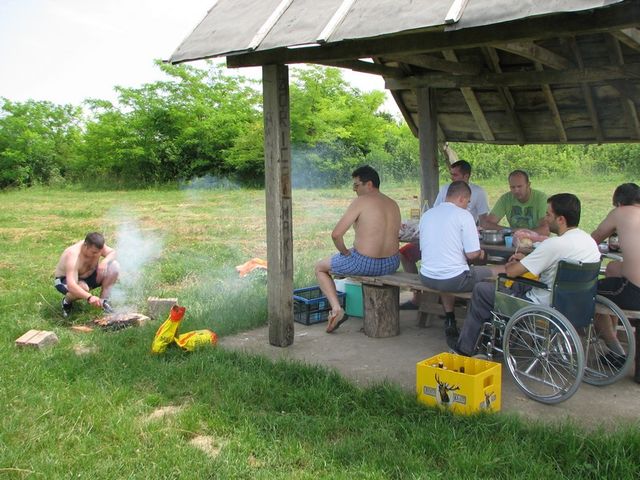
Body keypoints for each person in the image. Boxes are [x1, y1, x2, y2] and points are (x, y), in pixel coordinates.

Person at [450, 193, 600, 356]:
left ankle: (465, 348)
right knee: (517, 285)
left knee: (482, 290)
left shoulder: (554, 244)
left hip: (542, 306)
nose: (545, 219)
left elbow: (511, 272)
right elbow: (554, 267)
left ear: (561, 219)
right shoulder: (589, 242)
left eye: (548, 214)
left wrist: (515, 264)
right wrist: (526, 260)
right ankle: (500, 338)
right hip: (576, 304)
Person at [315, 165, 401, 333]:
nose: (354, 190)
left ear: (369, 184)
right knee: (342, 262)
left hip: (365, 263)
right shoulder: (393, 203)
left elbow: (336, 235)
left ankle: (337, 310)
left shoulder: (361, 201)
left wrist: (344, 252)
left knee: (320, 267)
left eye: (356, 185)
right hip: (392, 262)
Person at [399, 160, 489, 309]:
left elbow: (484, 219)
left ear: (466, 176)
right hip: (449, 253)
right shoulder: (445, 190)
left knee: (453, 265)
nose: (452, 178)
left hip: (458, 246)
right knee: (405, 253)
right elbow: (438, 213)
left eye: (455, 175)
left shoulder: (477, 192)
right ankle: (418, 298)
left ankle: (459, 307)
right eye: (451, 174)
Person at [418, 181, 497, 339]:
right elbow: (472, 255)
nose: (467, 206)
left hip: (426, 277)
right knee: (499, 270)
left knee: (448, 270)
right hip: (454, 280)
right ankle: (486, 325)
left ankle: (450, 318)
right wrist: (482, 254)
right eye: (468, 202)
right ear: (461, 198)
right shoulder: (464, 215)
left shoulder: (427, 214)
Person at [591, 183, 640, 369]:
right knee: (612, 268)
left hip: (635, 292)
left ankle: (616, 351)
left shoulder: (621, 212)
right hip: (633, 284)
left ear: (619, 203)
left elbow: (593, 240)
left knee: (586, 294)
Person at [54, 232, 120, 317]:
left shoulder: (97, 246)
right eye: (94, 252)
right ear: (85, 245)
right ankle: (66, 302)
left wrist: (104, 262)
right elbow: (71, 285)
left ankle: (103, 302)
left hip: (89, 276)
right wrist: (90, 297)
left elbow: (113, 252)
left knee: (114, 266)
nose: (97, 254)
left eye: (99, 252)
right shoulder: (73, 255)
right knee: (83, 288)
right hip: (65, 280)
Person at [481, 169, 549, 235]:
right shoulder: (506, 198)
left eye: (519, 186)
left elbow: (546, 230)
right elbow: (486, 224)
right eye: (512, 187)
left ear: (528, 185)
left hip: (538, 240)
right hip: (515, 239)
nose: (516, 190)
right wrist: (511, 231)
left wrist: (519, 233)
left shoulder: (541, 198)